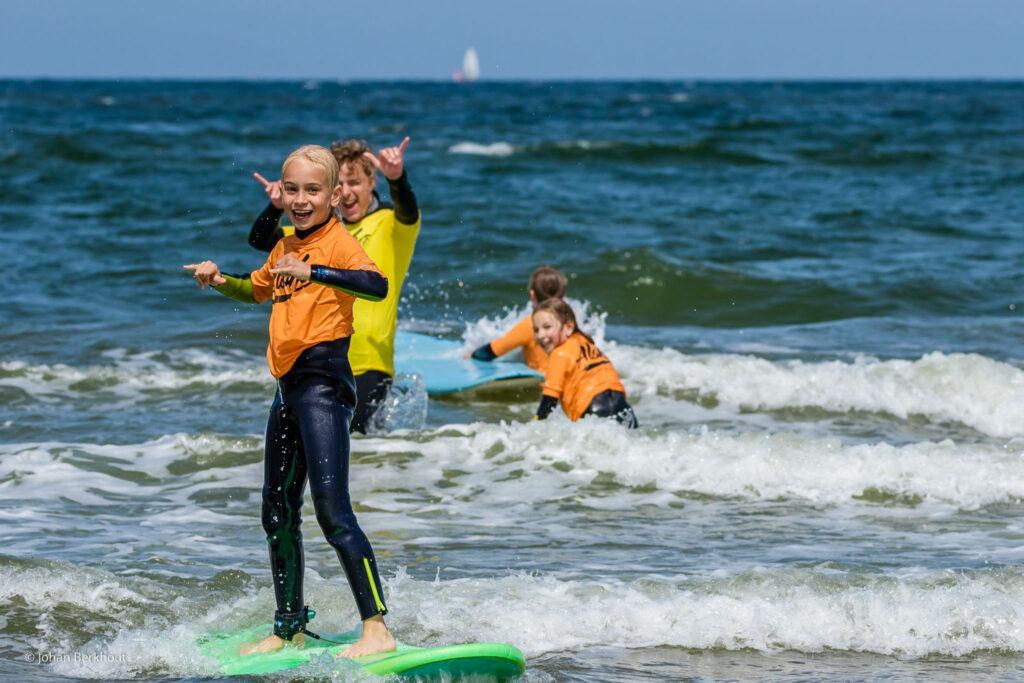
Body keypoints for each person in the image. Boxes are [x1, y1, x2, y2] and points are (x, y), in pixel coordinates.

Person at [184, 145, 395, 658]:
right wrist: (218, 282)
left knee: (332, 510)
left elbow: (376, 284)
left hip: (324, 385)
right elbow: (254, 290)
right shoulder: (282, 248)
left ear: (333, 194)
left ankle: (377, 628)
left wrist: (315, 273)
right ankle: (288, 627)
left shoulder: (338, 242)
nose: (302, 200)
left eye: (313, 190)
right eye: (293, 190)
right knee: (276, 511)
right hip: (288, 389)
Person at [250, 137, 420, 433]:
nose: (349, 193)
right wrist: (275, 206)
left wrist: (398, 179)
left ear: (371, 182)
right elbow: (261, 240)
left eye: (355, 182)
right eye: (341, 184)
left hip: (369, 365)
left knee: (354, 446)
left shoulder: (390, 224)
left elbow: (408, 211)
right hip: (317, 364)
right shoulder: (317, 231)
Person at [532, 299, 638, 428]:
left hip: (594, 411)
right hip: (623, 407)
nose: (541, 335)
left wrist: (535, 426)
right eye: (536, 330)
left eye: (547, 327)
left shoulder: (559, 353)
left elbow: (549, 399)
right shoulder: (586, 343)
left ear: (569, 327)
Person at [469, 266, 567, 372]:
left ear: (532, 295)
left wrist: (472, 354)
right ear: (563, 294)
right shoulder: (568, 321)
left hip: (545, 381)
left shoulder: (531, 324)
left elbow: (491, 351)